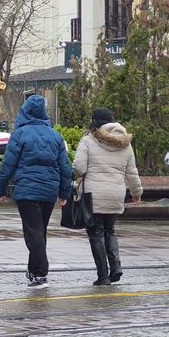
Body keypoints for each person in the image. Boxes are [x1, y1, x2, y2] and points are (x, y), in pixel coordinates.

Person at [0, 95, 72, 289]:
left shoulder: (19, 135)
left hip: (27, 191)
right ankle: (34, 270)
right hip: (48, 191)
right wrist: (64, 193)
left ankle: (40, 274)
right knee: (40, 231)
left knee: (33, 232)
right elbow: (65, 167)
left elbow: (8, 164)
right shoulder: (55, 136)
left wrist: (0, 188)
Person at [72, 108, 142, 286]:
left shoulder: (88, 140)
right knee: (110, 229)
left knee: (96, 233)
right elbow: (132, 172)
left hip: (94, 194)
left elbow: (79, 167)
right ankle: (116, 266)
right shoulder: (125, 142)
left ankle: (103, 276)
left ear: (94, 121)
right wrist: (136, 192)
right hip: (116, 193)